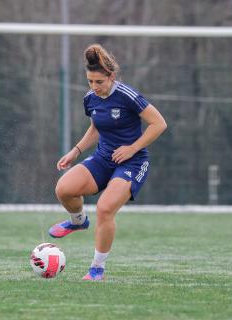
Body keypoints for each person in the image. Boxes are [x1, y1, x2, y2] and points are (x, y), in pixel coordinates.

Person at [48, 43, 167, 281]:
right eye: (90, 82)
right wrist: (76, 151)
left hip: (132, 163)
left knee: (104, 209)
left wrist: (132, 148)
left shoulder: (128, 96)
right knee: (64, 189)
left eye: (99, 82)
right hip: (104, 158)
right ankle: (78, 221)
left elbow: (159, 124)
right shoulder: (91, 98)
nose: (94, 87)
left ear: (111, 77)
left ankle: (97, 269)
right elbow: (95, 128)